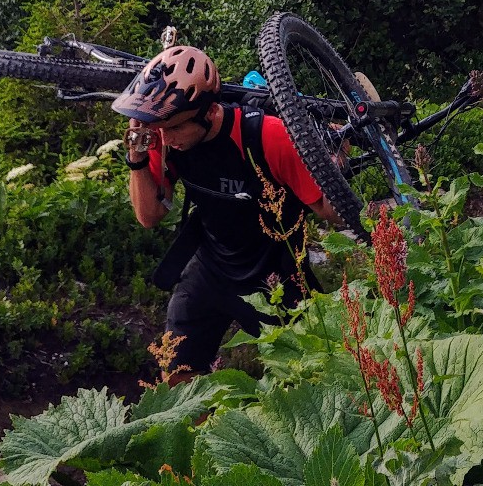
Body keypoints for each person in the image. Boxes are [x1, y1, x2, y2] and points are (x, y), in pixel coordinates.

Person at [114, 43, 340, 376]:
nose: (166, 137)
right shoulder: (164, 135)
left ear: (208, 111)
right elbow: (149, 217)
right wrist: (136, 154)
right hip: (211, 268)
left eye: (175, 128)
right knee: (177, 372)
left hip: (276, 275)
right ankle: (206, 429)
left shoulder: (266, 136)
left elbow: (329, 212)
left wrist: (334, 166)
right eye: (160, 128)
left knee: (309, 378)